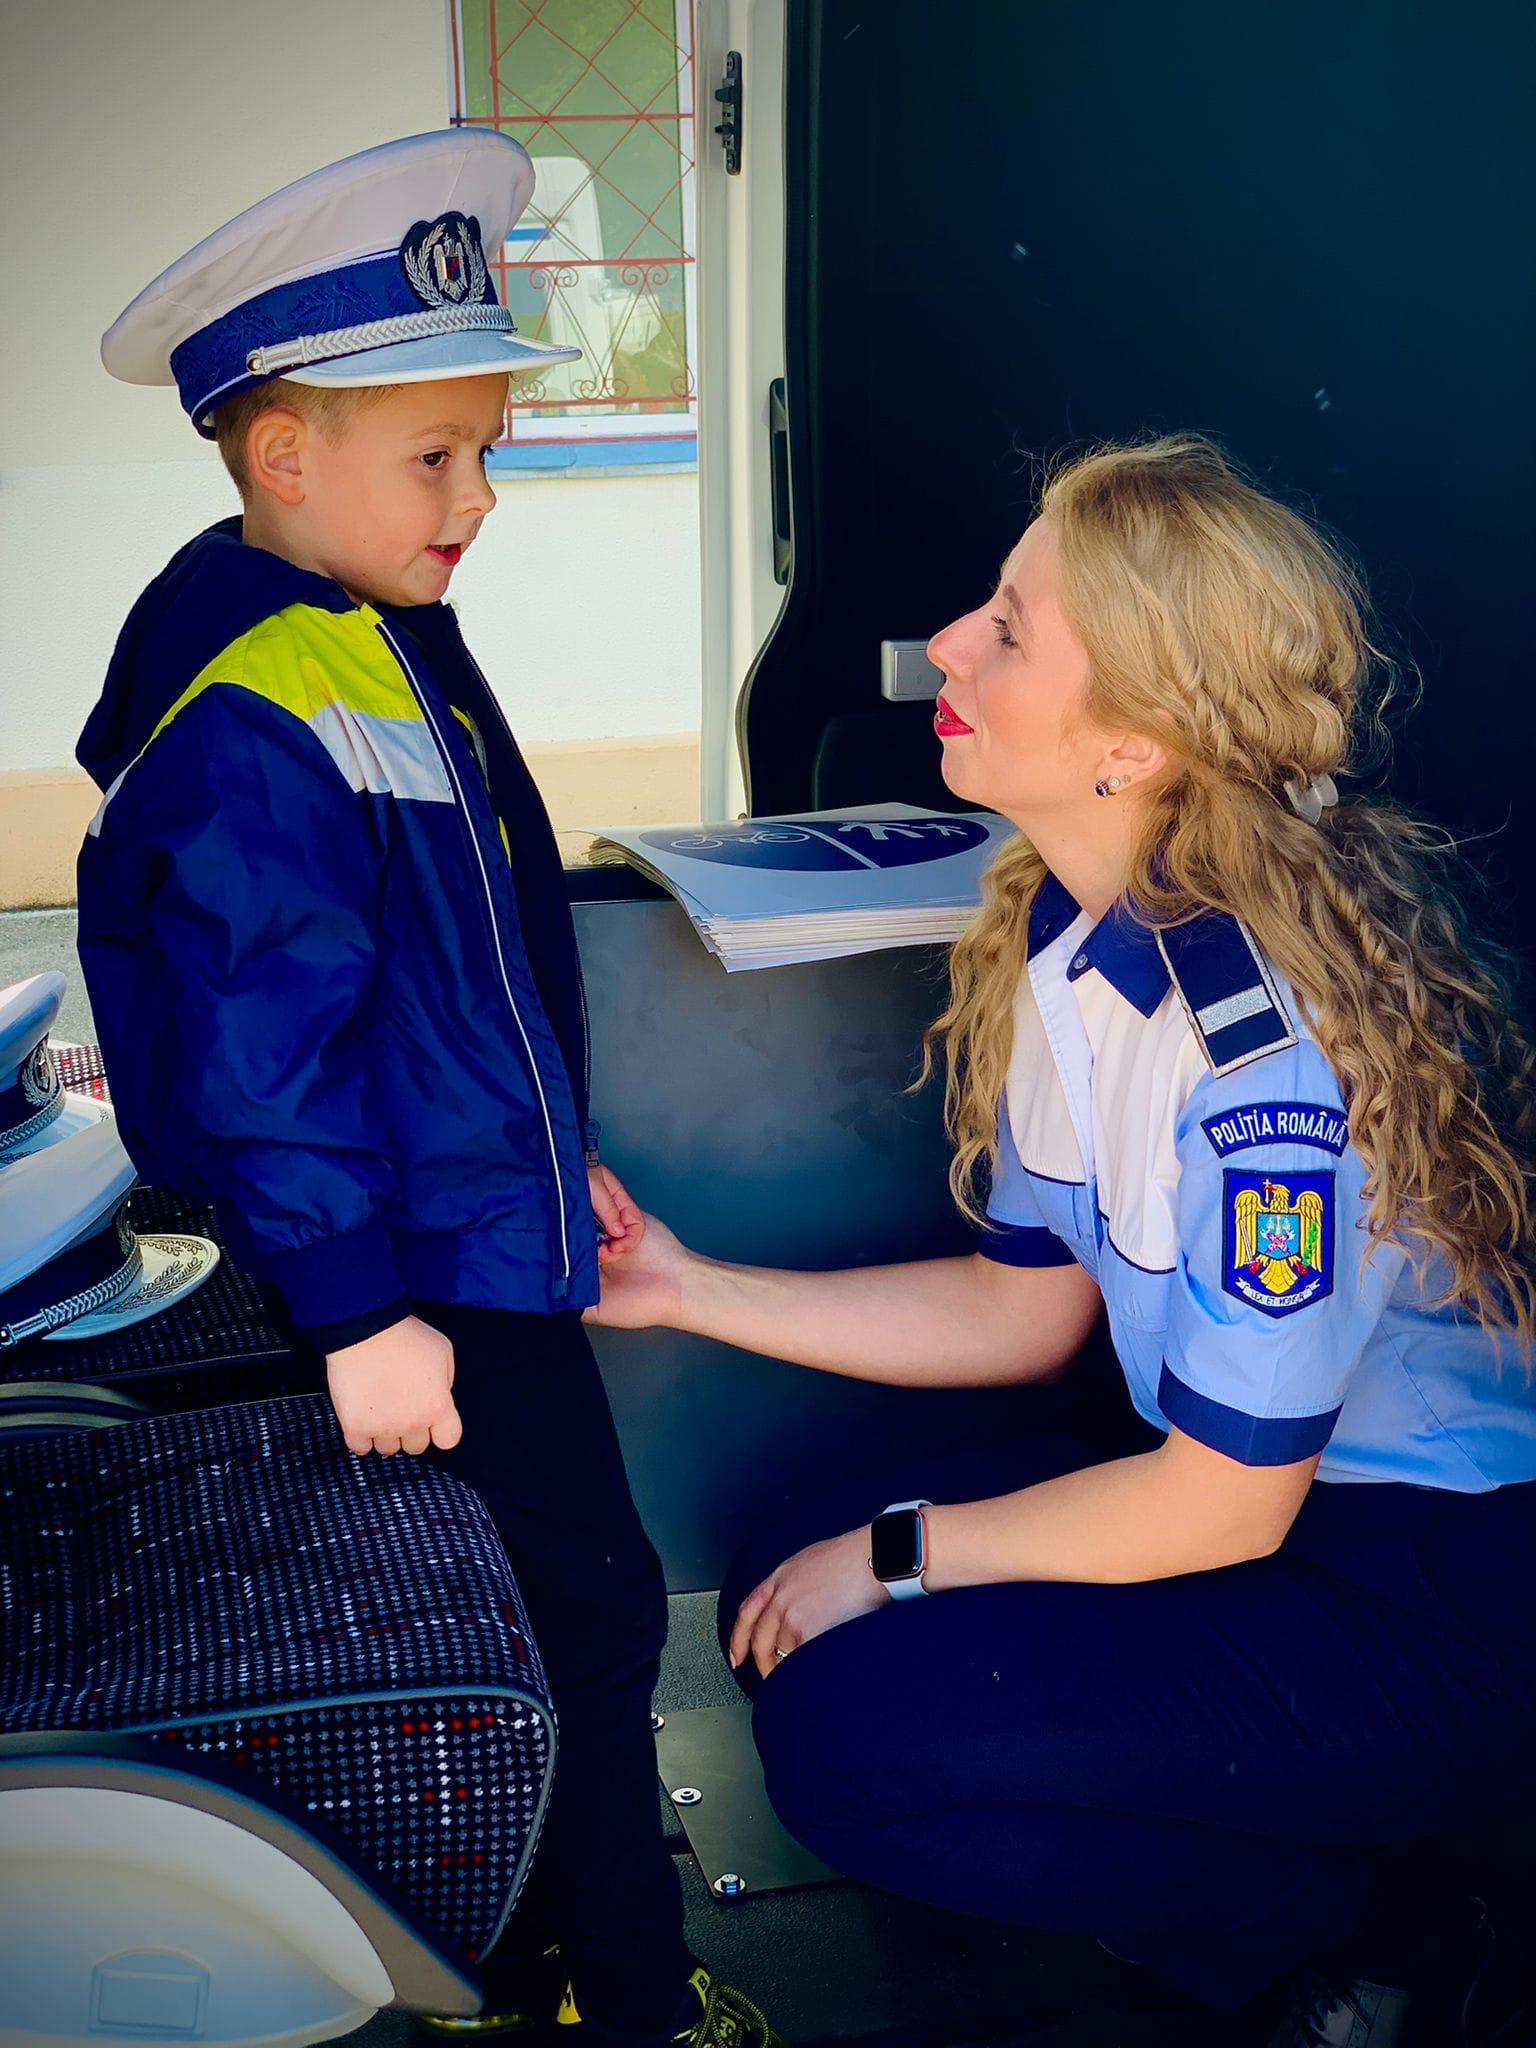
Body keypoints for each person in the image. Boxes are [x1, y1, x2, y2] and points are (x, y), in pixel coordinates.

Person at [589, 437, 1536, 2047]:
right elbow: (1018, 1309)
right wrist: (684, 1287)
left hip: (1428, 1588)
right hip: (1262, 1512)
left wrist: (898, 1561)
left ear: (1135, 745)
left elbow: (1224, 1504)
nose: (950, 647)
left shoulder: (1264, 1079)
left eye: (1012, 630)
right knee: (774, 1572)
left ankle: (1398, 1927)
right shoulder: (1071, 927)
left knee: (850, 1741)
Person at [74, 130, 780, 2048]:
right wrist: (359, 1310)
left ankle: (550, 1967)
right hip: (406, 1276)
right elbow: (268, 1039)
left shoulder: (366, 640)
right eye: (437, 455)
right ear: (283, 456)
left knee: (550, 1612)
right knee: (580, 1616)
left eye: (490, 448)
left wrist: (556, 1163)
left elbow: (450, 989)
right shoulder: (270, 700)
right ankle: (626, 2002)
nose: (481, 495)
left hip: (451, 1229)